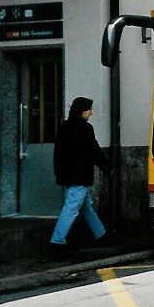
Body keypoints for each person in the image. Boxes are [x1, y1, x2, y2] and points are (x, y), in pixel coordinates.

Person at [49, 97, 111, 253]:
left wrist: (60, 173)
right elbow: (94, 151)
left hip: (69, 175)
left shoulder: (64, 126)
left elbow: (58, 153)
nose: (91, 112)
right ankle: (56, 243)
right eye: (89, 109)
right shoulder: (85, 128)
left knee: (86, 206)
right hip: (81, 175)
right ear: (82, 111)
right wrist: (107, 167)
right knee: (71, 208)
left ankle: (101, 235)